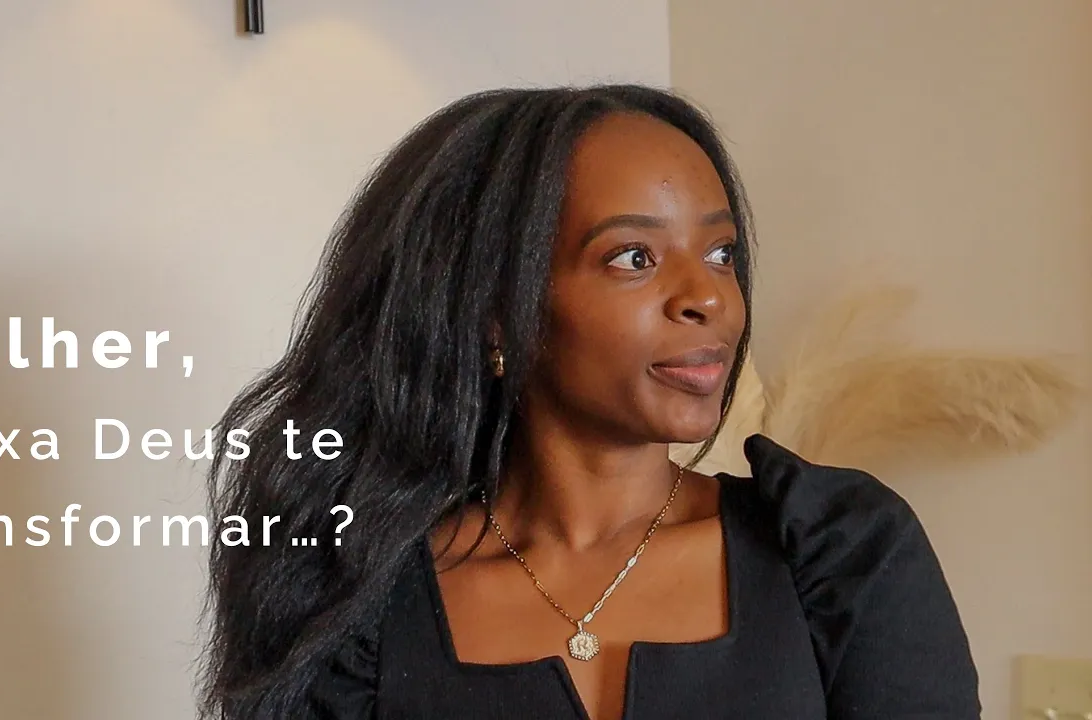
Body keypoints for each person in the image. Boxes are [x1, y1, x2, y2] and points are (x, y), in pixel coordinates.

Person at [196, 85, 981, 720]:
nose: (709, 297)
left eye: (721, 253)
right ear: (495, 313)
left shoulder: (840, 553)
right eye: (634, 257)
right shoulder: (356, 600)